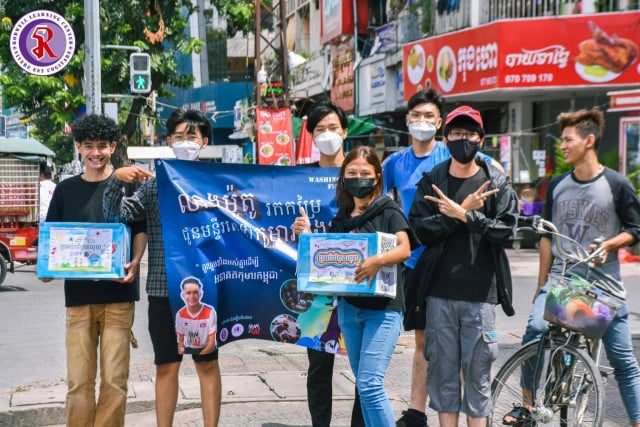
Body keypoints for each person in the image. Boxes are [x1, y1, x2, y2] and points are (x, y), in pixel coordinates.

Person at [503, 108, 640, 426]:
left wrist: (609, 243)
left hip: (603, 290)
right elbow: (547, 238)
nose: (562, 145)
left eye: (568, 139)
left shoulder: (617, 185)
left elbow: (635, 229)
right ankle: (526, 405)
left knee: (623, 361)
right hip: (564, 283)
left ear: (588, 141)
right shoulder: (558, 185)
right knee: (535, 331)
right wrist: (542, 286)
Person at [382, 89, 501, 427]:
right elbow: (378, 202)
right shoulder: (394, 163)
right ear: (407, 121)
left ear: (440, 124)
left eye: (428, 117)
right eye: (415, 116)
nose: (421, 122)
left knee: (462, 351)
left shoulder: (450, 156)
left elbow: (490, 170)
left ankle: (467, 416)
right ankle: (416, 410)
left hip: (455, 263)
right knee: (425, 341)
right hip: (413, 260)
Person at [103, 108, 222, 427]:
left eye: (191, 136)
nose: (185, 142)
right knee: (166, 366)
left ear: (204, 142)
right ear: (168, 141)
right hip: (161, 290)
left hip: (206, 291)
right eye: (179, 136)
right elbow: (116, 215)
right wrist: (116, 179)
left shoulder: (218, 185)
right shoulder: (156, 186)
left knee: (207, 364)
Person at [408, 106, 519, 427]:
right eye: (456, 133)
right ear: (446, 138)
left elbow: (507, 231)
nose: (462, 139)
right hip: (438, 295)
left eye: (469, 134)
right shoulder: (433, 180)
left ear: (481, 139)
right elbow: (416, 230)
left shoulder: (495, 180)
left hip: (480, 296)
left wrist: (467, 216)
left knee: (478, 377)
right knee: (443, 377)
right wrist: (452, 216)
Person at [294, 145, 419, 425]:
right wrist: (308, 235)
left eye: (364, 172)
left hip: (384, 310)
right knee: (364, 387)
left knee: (371, 385)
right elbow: (326, 256)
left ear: (377, 176)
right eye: (352, 173)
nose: (358, 178)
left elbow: (405, 248)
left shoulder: (388, 210)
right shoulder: (343, 216)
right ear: (343, 177)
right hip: (350, 310)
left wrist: (378, 260)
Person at [43, 114, 147, 427]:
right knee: (78, 382)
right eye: (89, 146)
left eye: (103, 146)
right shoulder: (65, 190)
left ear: (113, 146)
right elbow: (53, 239)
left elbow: (139, 231)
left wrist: (136, 260)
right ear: (78, 147)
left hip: (119, 297)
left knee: (115, 381)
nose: (96, 152)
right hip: (78, 299)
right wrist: (48, 268)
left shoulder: (129, 187)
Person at [297, 100, 365, 427]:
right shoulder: (300, 180)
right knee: (319, 367)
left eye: (333, 128)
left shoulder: (360, 176)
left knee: (363, 369)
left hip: (357, 287)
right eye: (320, 129)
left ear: (345, 131)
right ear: (310, 135)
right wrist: (300, 232)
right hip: (319, 292)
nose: (328, 135)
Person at [176, 276, 217, 355]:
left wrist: (199, 358)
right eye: (188, 293)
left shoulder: (210, 312)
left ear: (200, 294)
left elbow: (212, 343)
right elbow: (181, 341)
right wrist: (180, 352)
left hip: (207, 348)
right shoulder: (180, 314)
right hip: (190, 349)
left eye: (195, 292)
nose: (192, 296)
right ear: (183, 295)